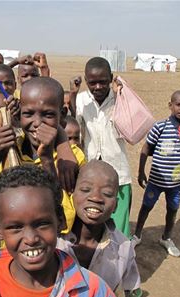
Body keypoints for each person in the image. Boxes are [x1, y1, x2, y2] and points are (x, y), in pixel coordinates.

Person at [0, 165, 116, 297]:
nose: (30, 239)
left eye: (42, 224)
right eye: (16, 227)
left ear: (60, 220)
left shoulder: (93, 292)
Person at [0, 77, 86, 234]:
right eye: (28, 113)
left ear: (62, 114)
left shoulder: (73, 157)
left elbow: (63, 223)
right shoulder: (8, 149)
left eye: (48, 114)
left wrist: (47, 160)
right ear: (18, 114)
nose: (37, 122)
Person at [57, 160, 142, 297]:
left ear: (115, 205)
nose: (96, 198)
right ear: (72, 193)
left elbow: (130, 290)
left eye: (107, 194)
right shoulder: (54, 240)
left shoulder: (123, 248)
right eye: (85, 190)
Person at [133, 90, 180, 257]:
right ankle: (137, 235)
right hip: (155, 181)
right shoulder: (160, 126)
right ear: (170, 105)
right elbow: (146, 147)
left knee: (172, 211)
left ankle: (166, 238)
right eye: (178, 104)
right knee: (146, 207)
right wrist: (141, 171)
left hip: (176, 185)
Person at [69, 57, 132, 237]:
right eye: (92, 83)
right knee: (89, 218)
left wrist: (123, 92)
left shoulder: (121, 99)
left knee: (119, 223)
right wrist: (73, 95)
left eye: (103, 82)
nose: (97, 87)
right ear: (86, 80)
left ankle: (120, 258)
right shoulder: (81, 100)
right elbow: (72, 125)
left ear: (111, 78)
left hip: (118, 169)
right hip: (88, 169)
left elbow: (135, 126)